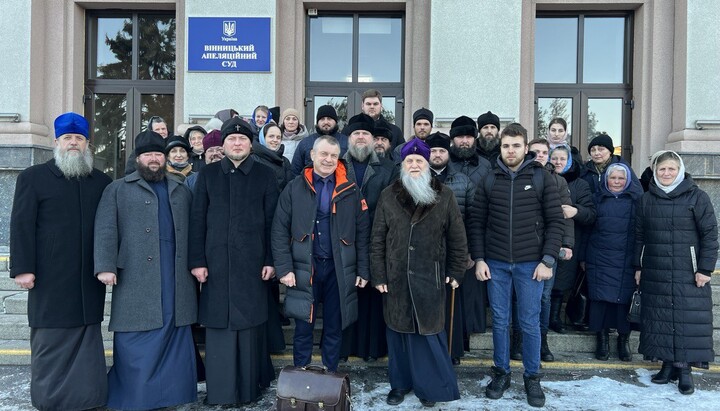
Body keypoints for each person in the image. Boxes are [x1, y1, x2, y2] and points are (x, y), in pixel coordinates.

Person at [10, 112, 111, 411]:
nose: (73, 143)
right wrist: (22, 268)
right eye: (67, 138)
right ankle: (51, 399)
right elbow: (21, 225)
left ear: (87, 144)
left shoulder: (101, 181)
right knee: (51, 338)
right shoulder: (33, 177)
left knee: (86, 334)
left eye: (79, 138)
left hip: (86, 280)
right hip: (49, 279)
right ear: (56, 142)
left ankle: (88, 397)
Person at [95, 130, 198, 410]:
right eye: (148, 155)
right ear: (138, 158)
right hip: (135, 275)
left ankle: (174, 395)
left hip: (176, 273)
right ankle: (135, 397)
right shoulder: (117, 188)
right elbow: (105, 229)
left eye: (158, 154)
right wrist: (105, 266)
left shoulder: (180, 187)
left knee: (173, 328)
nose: (154, 159)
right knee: (136, 334)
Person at [468, 123, 563, 408]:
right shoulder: (489, 178)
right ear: (501, 147)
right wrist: (480, 258)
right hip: (495, 263)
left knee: (529, 322)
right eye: (506, 146)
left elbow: (555, 222)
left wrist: (548, 260)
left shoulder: (541, 178)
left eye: (516, 146)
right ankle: (501, 372)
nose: (511, 151)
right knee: (499, 321)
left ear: (526, 148)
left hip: (530, 264)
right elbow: (477, 222)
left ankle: (532, 377)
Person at [188, 117, 279, 406]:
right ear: (223, 144)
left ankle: (249, 390)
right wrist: (197, 261)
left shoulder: (265, 176)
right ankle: (221, 391)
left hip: (254, 265)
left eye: (242, 139)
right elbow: (197, 220)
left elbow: (272, 223)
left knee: (250, 324)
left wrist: (271, 259)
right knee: (219, 324)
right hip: (214, 265)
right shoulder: (208, 175)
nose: (237, 143)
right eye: (231, 139)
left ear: (251, 144)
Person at [371, 138, 466, 408]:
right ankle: (399, 384)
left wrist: (457, 271)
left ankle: (428, 387)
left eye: (419, 161)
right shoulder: (389, 194)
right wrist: (378, 274)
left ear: (427, 164)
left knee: (427, 334)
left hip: (430, 277)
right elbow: (377, 237)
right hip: (396, 277)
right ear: (402, 165)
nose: (414, 165)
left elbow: (458, 238)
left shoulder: (444, 194)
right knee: (398, 332)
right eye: (409, 161)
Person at [272, 135, 370, 372]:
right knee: (304, 326)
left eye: (333, 156)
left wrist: (363, 269)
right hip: (305, 267)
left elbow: (363, 232)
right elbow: (279, 229)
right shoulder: (294, 187)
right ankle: (301, 375)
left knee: (335, 326)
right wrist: (284, 268)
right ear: (312, 155)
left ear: (339, 159)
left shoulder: (350, 190)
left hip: (339, 268)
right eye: (323, 154)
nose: (328, 160)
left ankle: (329, 375)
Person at [634, 150, 718, 395]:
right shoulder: (646, 199)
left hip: (688, 271)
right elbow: (638, 236)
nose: (667, 173)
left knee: (684, 319)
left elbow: (710, 235)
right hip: (656, 269)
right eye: (662, 169)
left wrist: (704, 268)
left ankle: (684, 371)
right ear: (655, 172)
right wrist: (637, 267)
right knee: (661, 318)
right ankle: (667, 365)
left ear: (679, 170)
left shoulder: (697, 197)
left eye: (671, 169)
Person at [509, 138, 574, 363]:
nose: (539, 156)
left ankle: (542, 341)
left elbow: (564, 216)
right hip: (524, 248)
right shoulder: (519, 177)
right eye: (535, 152)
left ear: (548, 155)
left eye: (544, 152)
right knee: (520, 297)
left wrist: (566, 244)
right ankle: (518, 341)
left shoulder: (557, 181)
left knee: (544, 297)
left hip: (549, 248)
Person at [338, 113, 396, 363]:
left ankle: (372, 348)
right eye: (356, 134)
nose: (360, 137)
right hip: (343, 241)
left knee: (373, 297)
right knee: (347, 295)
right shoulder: (338, 166)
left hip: (376, 241)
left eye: (365, 134)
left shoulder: (389, 169)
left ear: (373, 139)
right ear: (349, 139)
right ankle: (345, 347)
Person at [582, 163, 642, 363]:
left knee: (623, 301)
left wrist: (639, 263)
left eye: (621, 178)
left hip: (626, 259)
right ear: (606, 179)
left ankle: (623, 341)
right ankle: (602, 340)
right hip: (599, 258)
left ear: (628, 181)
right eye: (612, 178)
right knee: (600, 301)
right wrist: (583, 257)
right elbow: (586, 231)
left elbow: (640, 234)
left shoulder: (637, 201)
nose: (616, 182)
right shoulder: (596, 199)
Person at [427, 131, 475, 365]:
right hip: (426, 252)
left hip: (454, 249)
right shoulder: (418, 178)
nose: (437, 155)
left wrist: (469, 251)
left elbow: (473, 218)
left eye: (441, 151)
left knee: (451, 300)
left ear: (449, 153)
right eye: (433, 151)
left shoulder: (463, 181)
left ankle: (452, 350)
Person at [447, 116, 493, 347]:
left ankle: (467, 335)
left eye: (468, 136)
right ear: (452, 139)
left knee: (471, 291)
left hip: (475, 233)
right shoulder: (446, 164)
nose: (464, 141)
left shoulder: (485, 165)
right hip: (448, 237)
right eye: (459, 137)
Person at [548, 145, 596, 332]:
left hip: (571, 239)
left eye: (562, 159)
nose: (558, 162)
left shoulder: (580, 184)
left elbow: (591, 214)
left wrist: (576, 211)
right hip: (546, 238)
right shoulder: (545, 178)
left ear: (569, 161)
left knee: (561, 283)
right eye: (555, 158)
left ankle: (555, 318)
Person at [291, 104, 348, 175]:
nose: (326, 122)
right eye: (322, 119)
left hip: (341, 185)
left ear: (335, 121)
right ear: (317, 122)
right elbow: (295, 171)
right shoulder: (305, 143)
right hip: (310, 185)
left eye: (329, 119)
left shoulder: (346, 142)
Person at [254, 121, 294, 190]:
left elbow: (289, 188)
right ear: (262, 138)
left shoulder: (285, 162)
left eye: (278, 137)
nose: (275, 140)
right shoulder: (253, 159)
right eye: (271, 136)